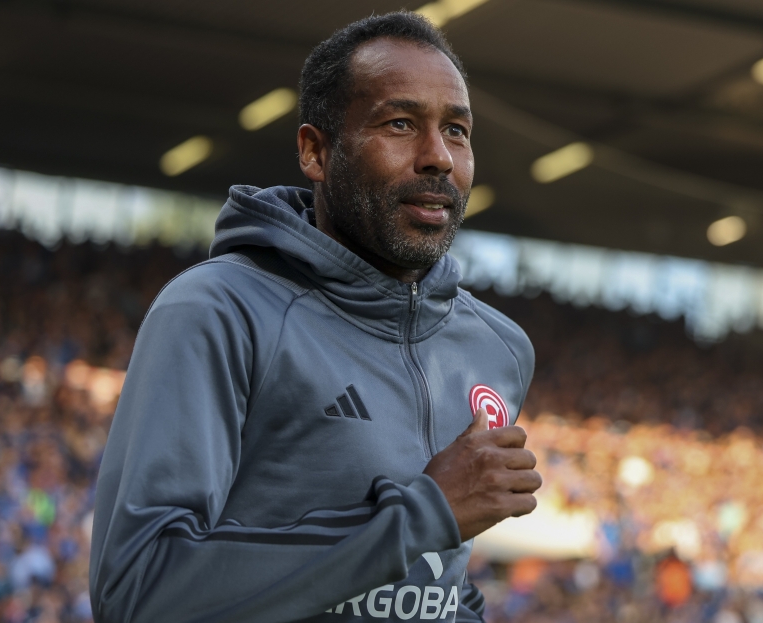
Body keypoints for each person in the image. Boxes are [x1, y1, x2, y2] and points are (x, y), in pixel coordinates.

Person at [88, 12, 541, 623]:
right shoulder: (217, 312)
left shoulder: (499, 348)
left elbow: (434, 585)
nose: (438, 156)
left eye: (456, 131)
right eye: (401, 124)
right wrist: (424, 513)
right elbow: (139, 595)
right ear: (314, 151)